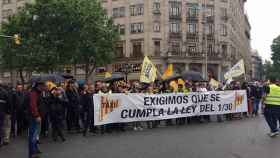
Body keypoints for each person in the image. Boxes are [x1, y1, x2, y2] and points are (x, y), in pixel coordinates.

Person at [28, 81, 46, 158]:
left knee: (35, 135)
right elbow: (33, 105)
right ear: (39, 86)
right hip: (33, 117)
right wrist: (37, 115)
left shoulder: (38, 93)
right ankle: (32, 154)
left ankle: (35, 150)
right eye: (43, 85)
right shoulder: (33, 93)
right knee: (32, 136)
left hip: (37, 117)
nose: (44, 87)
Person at [0, 82, 11, 148]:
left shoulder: (4, 92)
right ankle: (5, 139)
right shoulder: (5, 92)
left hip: (3, 112)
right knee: (5, 126)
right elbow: (9, 103)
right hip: (3, 112)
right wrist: (9, 112)